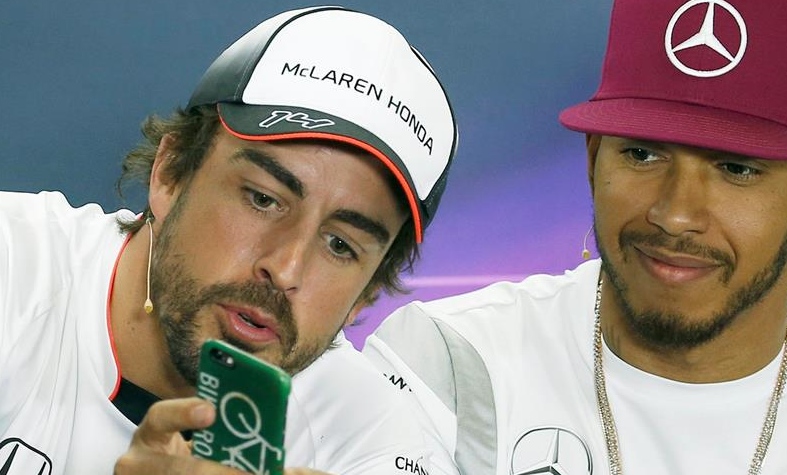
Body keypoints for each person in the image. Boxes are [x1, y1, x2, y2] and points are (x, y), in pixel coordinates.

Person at [0, 6, 460, 475]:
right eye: (264, 199)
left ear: (366, 294)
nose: (286, 269)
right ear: (170, 174)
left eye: (340, 245)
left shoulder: (372, 438)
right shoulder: (13, 265)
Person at [363, 0, 787, 474]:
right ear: (592, 159)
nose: (674, 216)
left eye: (736, 169)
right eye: (642, 155)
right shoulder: (451, 360)